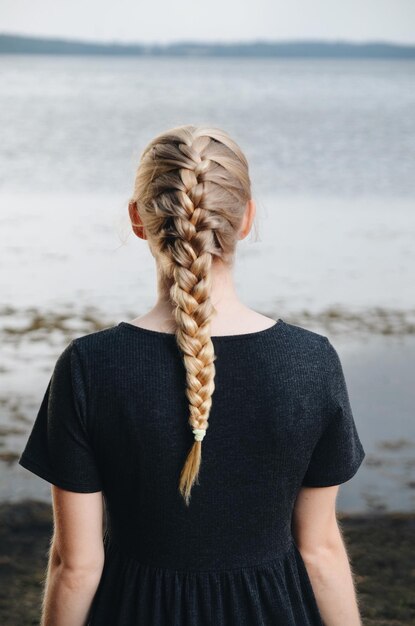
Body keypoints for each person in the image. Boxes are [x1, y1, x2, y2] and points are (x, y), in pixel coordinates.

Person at [18, 124, 366, 626]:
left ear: (138, 219)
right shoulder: (310, 361)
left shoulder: (90, 366)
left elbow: (75, 565)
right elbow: (320, 550)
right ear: (246, 219)